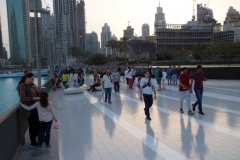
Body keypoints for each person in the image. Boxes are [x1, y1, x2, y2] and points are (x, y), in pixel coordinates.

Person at [17, 73, 40, 147]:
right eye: (31, 79)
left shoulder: (26, 86)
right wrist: (33, 98)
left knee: (35, 124)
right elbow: (22, 98)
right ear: (27, 77)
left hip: (32, 108)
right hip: (29, 109)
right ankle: (33, 141)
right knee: (33, 125)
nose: (32, 81)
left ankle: (35, 139)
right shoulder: (22, 86)